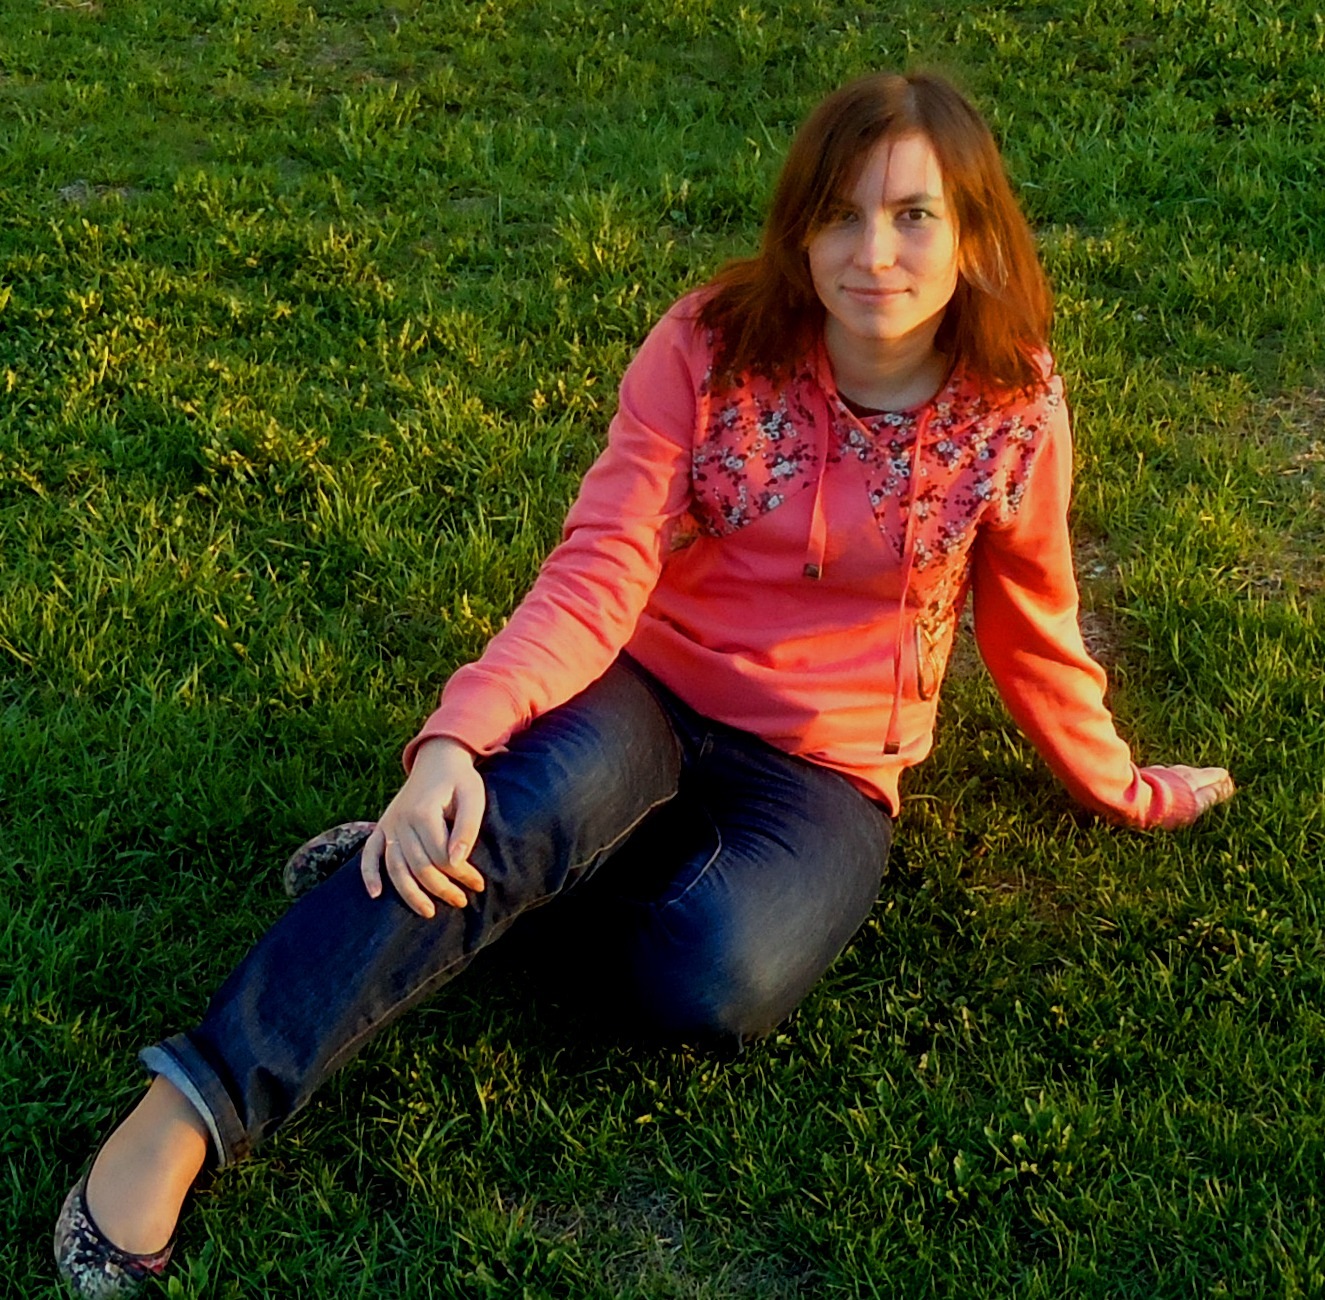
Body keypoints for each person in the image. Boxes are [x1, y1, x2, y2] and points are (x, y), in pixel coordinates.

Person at [54, 70, 1235, 1295]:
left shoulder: (1012, 407)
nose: (871, 253)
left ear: (974, 233)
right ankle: (186, 1107)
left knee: (714, 978)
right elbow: (600, 566)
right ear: (798, 227)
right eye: (839, 214)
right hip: (650, 687)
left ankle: (483, 886)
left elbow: (1033, 621)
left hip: (829, 765)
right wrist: (456, 738)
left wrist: (1122, 785)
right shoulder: (710, 345)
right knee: (507, 806)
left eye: (912, 215)